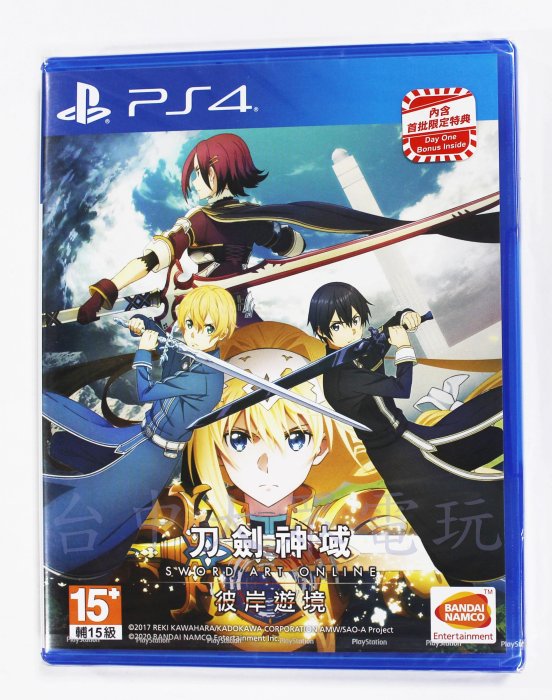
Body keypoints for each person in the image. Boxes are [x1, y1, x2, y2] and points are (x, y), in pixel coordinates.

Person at [127, 321, 447, 651]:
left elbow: (419, 575)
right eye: (240, 440)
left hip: (324, 655)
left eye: (296, 439)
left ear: (321, 446)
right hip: (202, 654)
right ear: (216, 448)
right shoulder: (183, 515)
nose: (267, 462)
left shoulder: (347, 518)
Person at [76, 133, 500, 326]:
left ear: (221, 171)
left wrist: (282, 236)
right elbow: (154, 257)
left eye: (201, 175)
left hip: (236, 309)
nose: (197, 185)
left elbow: (289, 248)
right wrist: (106, 290)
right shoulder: (202, 220)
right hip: (201, 308)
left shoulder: (239, 216)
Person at [307, 281, 504, 583]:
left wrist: (404, 316)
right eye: (338, 326)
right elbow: (401, 387)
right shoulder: (341, 378)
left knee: (490, 436)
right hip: (397, 451)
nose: (351, 330)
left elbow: (379, 338)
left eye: (355, 320)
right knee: (448, 496)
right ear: (322, 331)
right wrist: (403, 346)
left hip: (403, 438)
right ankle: (483, 562)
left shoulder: (353, 352)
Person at [43, 285, 237, 578]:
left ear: (221, 333)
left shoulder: (207, 379)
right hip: (140, 437)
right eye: (190, 324)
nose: (195, 335)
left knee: (97, 503)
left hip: (155, 456)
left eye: (207, 328)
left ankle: (54, 547)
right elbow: (166, 343)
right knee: (71, 434)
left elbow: (146, 391)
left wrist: (144, 351)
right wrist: (143, 324)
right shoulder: (190, 350)